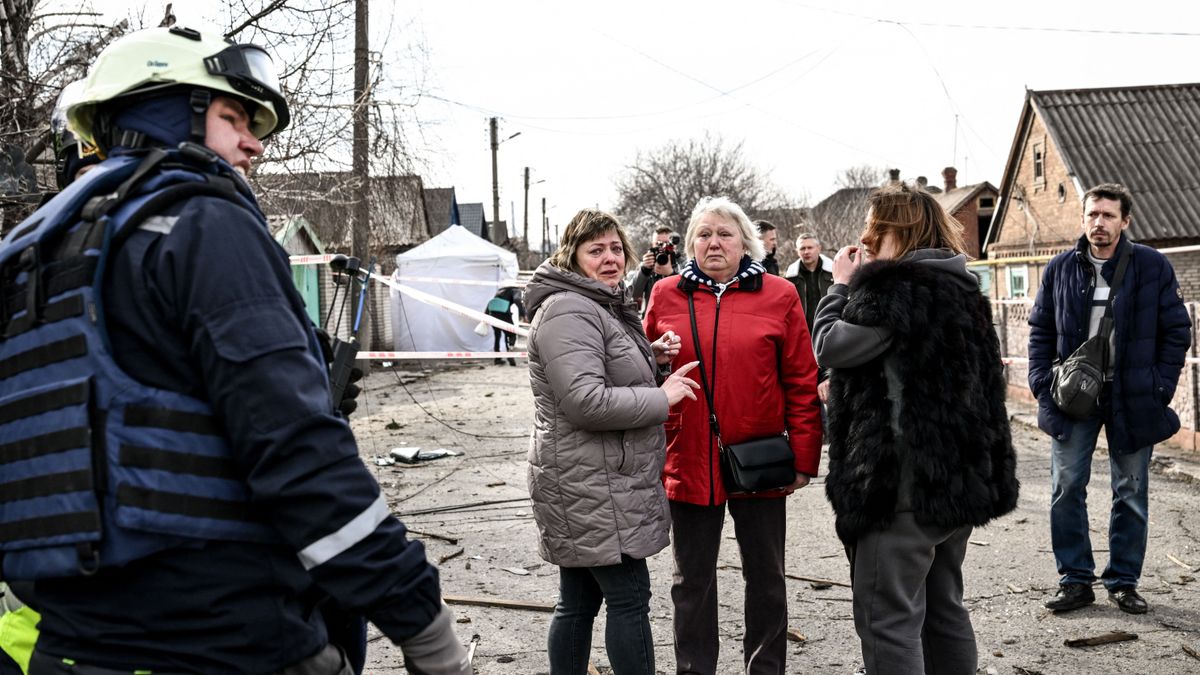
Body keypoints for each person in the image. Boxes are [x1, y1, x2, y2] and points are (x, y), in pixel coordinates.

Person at [0, 26, 469, 675]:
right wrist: (421, 621)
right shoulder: (204, 222)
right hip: (224, 642)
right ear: (167, 112)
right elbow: (300, 455)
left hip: (70, 647)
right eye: (233, 117)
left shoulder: (32, 255)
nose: (254, 142)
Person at [812, 181, 1019, 675]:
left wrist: (839, 285)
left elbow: (830, 345)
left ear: (895, 233)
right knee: (943, 608)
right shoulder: (961, 287)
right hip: (956, 483)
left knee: (888, 619)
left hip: (901, 486)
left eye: (872, 230)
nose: (863, 240)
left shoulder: (896, 291)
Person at [643, 196, 823, 674]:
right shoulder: (665, 295)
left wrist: (805, 458)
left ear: (746, 242)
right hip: (688, 458)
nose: (714, 242)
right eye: (703, 234)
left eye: (724, 234)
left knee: (766, 577)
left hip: (758, 458)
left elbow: (802, 382)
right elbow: (641, 372)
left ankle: (765, 669)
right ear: (689, 246)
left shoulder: (780, 295)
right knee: (691, 581)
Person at [524, 208, 699, 674]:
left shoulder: (595, 304)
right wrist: (661, 398)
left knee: (578, 600)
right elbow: (586, 402)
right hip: (593, 483)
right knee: (628, 598)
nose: (609, 258)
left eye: (616, 248)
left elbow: (599, 368)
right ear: (572, 255)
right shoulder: (568, 309)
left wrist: (649, 356)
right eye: (595, 249)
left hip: (590, 477)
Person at [1029, 182, 1191, 615]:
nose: (1098, 223)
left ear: (1125, 221)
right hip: (1072, 397)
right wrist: (1043, 384)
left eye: (1107, 215)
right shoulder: (1061, 268)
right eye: (1092, 215)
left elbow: (1177, 331)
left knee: (1131, 491)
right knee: (1066, 488)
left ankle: (1123, 581)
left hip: (1134, 395)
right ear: (1083, 219)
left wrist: (1159, 387)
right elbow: (1041, 330)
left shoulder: (1152, 266)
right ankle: (1075, 580)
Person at [630, 225, 681, 314]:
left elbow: (687, 296)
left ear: (674, 246)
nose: (662, 248)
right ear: (652, 245)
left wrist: (671, 274)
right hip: (651, 320)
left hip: (675, 318)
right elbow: (633, 295)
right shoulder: (646, 266)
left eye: (666, 243)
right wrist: (644, 271)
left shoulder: (683, 265)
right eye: (658, 244)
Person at [486, 280, 525, 366]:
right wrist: (523, 314)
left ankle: (497, 359)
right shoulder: (516, 290)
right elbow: (517, 300)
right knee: (511, 334)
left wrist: (485, 315)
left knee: (497, 336)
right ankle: (510, 358)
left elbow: (492, 302)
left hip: (492, 313)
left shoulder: (500, 290)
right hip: (503, 314)